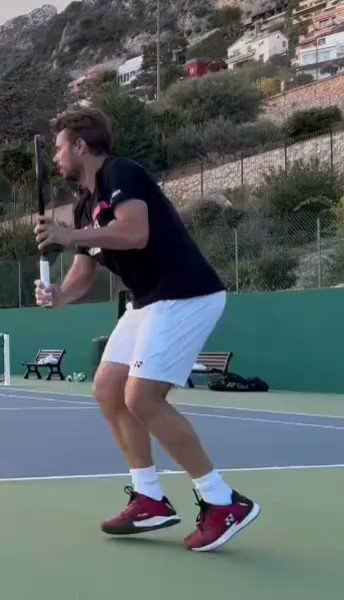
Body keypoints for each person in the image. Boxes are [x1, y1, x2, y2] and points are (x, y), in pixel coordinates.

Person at [33, 108, 259, 552]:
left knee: (142, 398)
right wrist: (57, 295)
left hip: (186, 294)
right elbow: (83, 273)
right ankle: (150, 498)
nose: (56, 157)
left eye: (60, 147)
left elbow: (134, 233)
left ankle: (223, 502)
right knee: (108, 390)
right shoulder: (84, 205)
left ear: (80, 146)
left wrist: (68, 235)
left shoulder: (123, 173)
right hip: (147, 302)